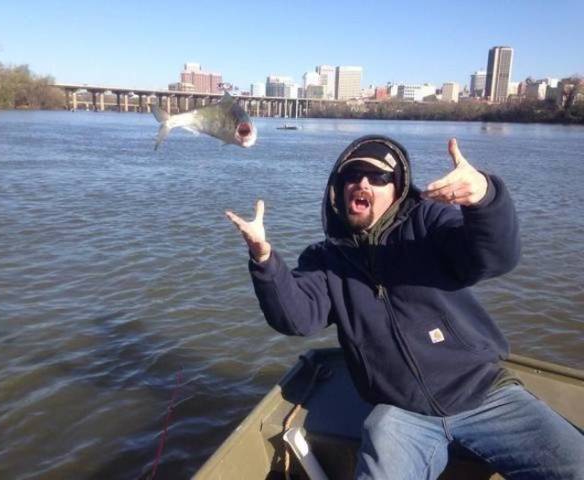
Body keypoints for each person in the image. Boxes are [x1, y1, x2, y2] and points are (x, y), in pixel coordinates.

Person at [226, 135, 584, 479]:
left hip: (484, 393)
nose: (362, 183)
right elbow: (297, 318)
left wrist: (485, 198)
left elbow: (495, 258)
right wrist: (264, 259)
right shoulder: (325, 259)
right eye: (353, 175)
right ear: (339, 188)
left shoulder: (428, 222)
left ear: (397, 189)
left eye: (377, 176)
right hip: (400, 414)